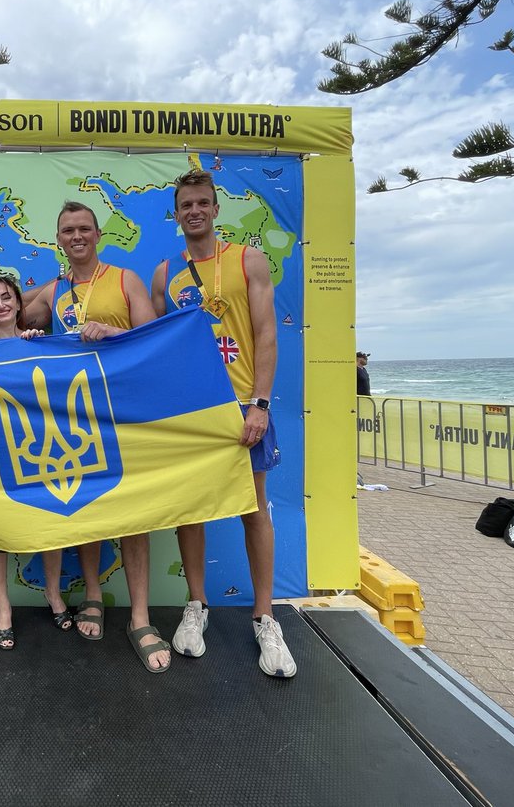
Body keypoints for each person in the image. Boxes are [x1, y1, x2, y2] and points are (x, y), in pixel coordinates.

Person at [150, 168, 296, 678]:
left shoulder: (247, 259)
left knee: (253, 509)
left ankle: (265, 617)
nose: (194, 211)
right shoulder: (164, 274)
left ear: (216, 209)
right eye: (185, 204)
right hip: (191, 413)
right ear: (176, 214)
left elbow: (266, 334)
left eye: (202, 203)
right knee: (191, 511)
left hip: (241, 406)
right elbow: (155, 345)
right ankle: (196, 605)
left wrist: (260, 403)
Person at [23, 201, 169, 672]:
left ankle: (140, 617)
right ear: (59, 239)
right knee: (88, 509)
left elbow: (154, 339)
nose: (77, 236)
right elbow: (4, 315)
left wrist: (112, 332)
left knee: (133, 515)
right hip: (76, 420)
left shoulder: (126, 280)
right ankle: (91, 595)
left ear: (98, 234)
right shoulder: (54, 290)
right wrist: (26, 332)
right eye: (68, 230)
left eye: (84, 228)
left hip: (124, 413)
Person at [0, 275, 60, 651]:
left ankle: (53, 594)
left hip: (39, 449)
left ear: (20, 304)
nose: (2, 305)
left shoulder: (39, 341)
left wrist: (38, 346)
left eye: (8, 297)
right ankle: (3, 608)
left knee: (53, 519)